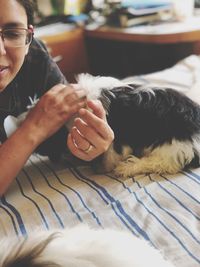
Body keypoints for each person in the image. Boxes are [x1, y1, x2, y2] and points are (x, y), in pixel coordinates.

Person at [0, 0, 114, 195]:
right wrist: (34, 127)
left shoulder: (34, 55)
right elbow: (43, 124)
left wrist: (93, 145)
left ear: (28, 37)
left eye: (12, 33)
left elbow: (63, 133)